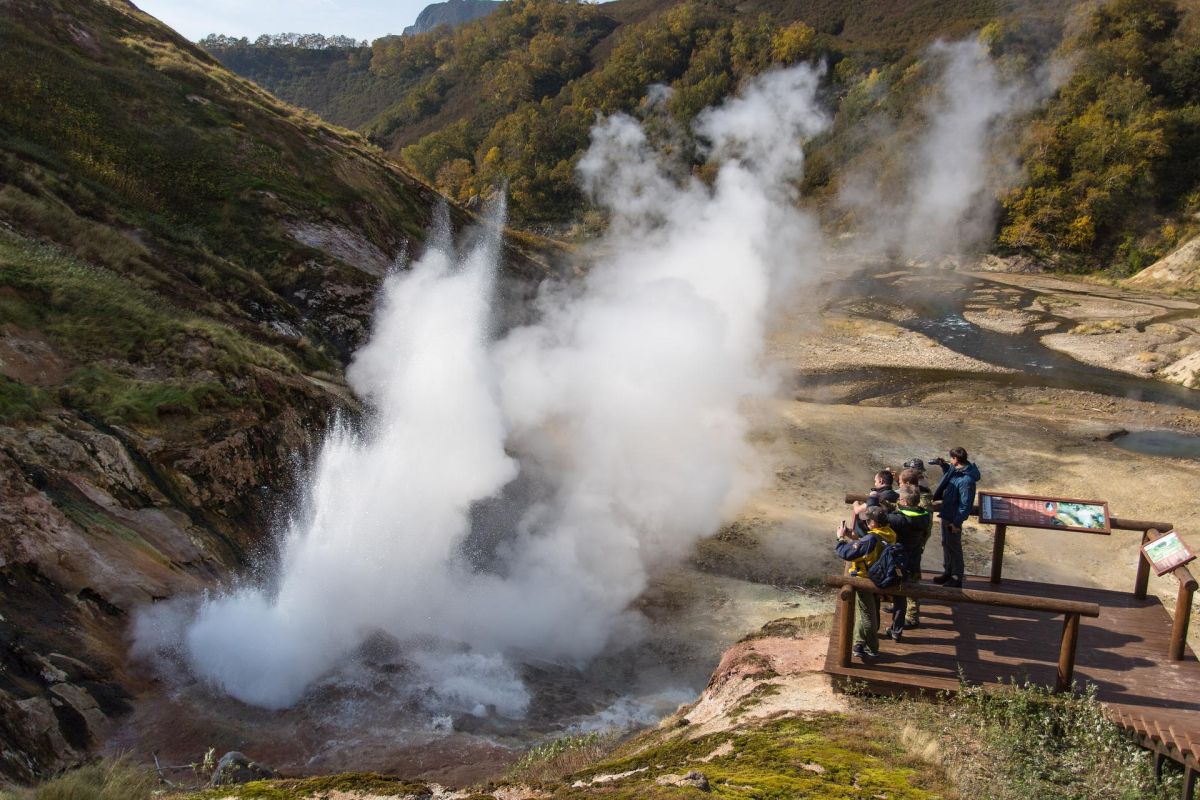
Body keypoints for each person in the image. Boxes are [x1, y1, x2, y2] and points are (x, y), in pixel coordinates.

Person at [835, 507, 897, 661]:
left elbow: (846, 553)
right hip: (880, 577)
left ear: (874, 523)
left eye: (868, 520)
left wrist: (841, 538)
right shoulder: (889, 533)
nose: (866, 522)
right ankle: (860, 643)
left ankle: (873, 648)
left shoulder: (870, 539)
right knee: (870, 610)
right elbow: (869, 547)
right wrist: (855, 538)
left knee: (867, 615)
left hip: (866, 579)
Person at [884, 486, 931, 637]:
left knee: (898, 593)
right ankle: (897, 630)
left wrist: (877, 500)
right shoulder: (923, 515)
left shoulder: (900, 520)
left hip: (899, 561)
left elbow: (882, 518)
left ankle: (899, 625)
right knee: (905, 592)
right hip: (914, 558)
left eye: (899, 499)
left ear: (903, 501)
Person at [930, 447, 980, 588]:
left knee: (954, 547)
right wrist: (943, 465)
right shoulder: (956, 470)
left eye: (951, 458)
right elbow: (949, 476)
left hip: (953, 518)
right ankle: (948, 572)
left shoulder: (967, 480)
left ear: (956, 459)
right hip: (947, 513)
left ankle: (956, 577)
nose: (950, 460)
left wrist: (957, 523)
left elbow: (965, 505)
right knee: (946, 544)